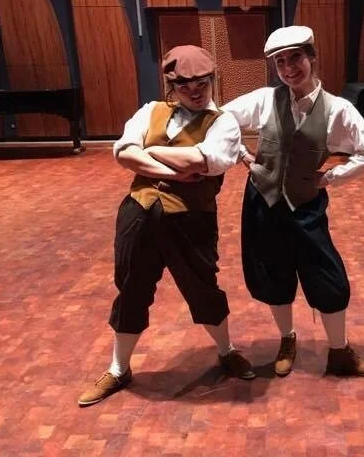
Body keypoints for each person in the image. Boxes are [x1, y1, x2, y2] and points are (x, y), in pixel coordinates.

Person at [78, 45, 255, 407]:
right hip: (138, 213)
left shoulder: (223, 122)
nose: (195, 91)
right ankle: (118, 369)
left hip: (192, 220)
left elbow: (201, 160)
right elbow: (124, 153)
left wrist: (151, 152)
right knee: (130, 288)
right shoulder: (151, 110)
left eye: (202, 83)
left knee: (203, 288)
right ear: (171, 86)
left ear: (212, 80)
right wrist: (171, 172)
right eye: (185, 85)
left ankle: (227, 351)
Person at [222, 25, 364, 378]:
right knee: (273, 272)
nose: (289, 68)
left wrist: (331, 177)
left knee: (327, 274)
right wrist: (242, 155)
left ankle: (339, 351)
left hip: (306, 204)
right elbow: (221, 118)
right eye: (280, 62)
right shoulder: (265, 99)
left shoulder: (338, 109)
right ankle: (287, 339)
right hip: (263, 201)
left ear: (312, 58)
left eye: (295, 58)